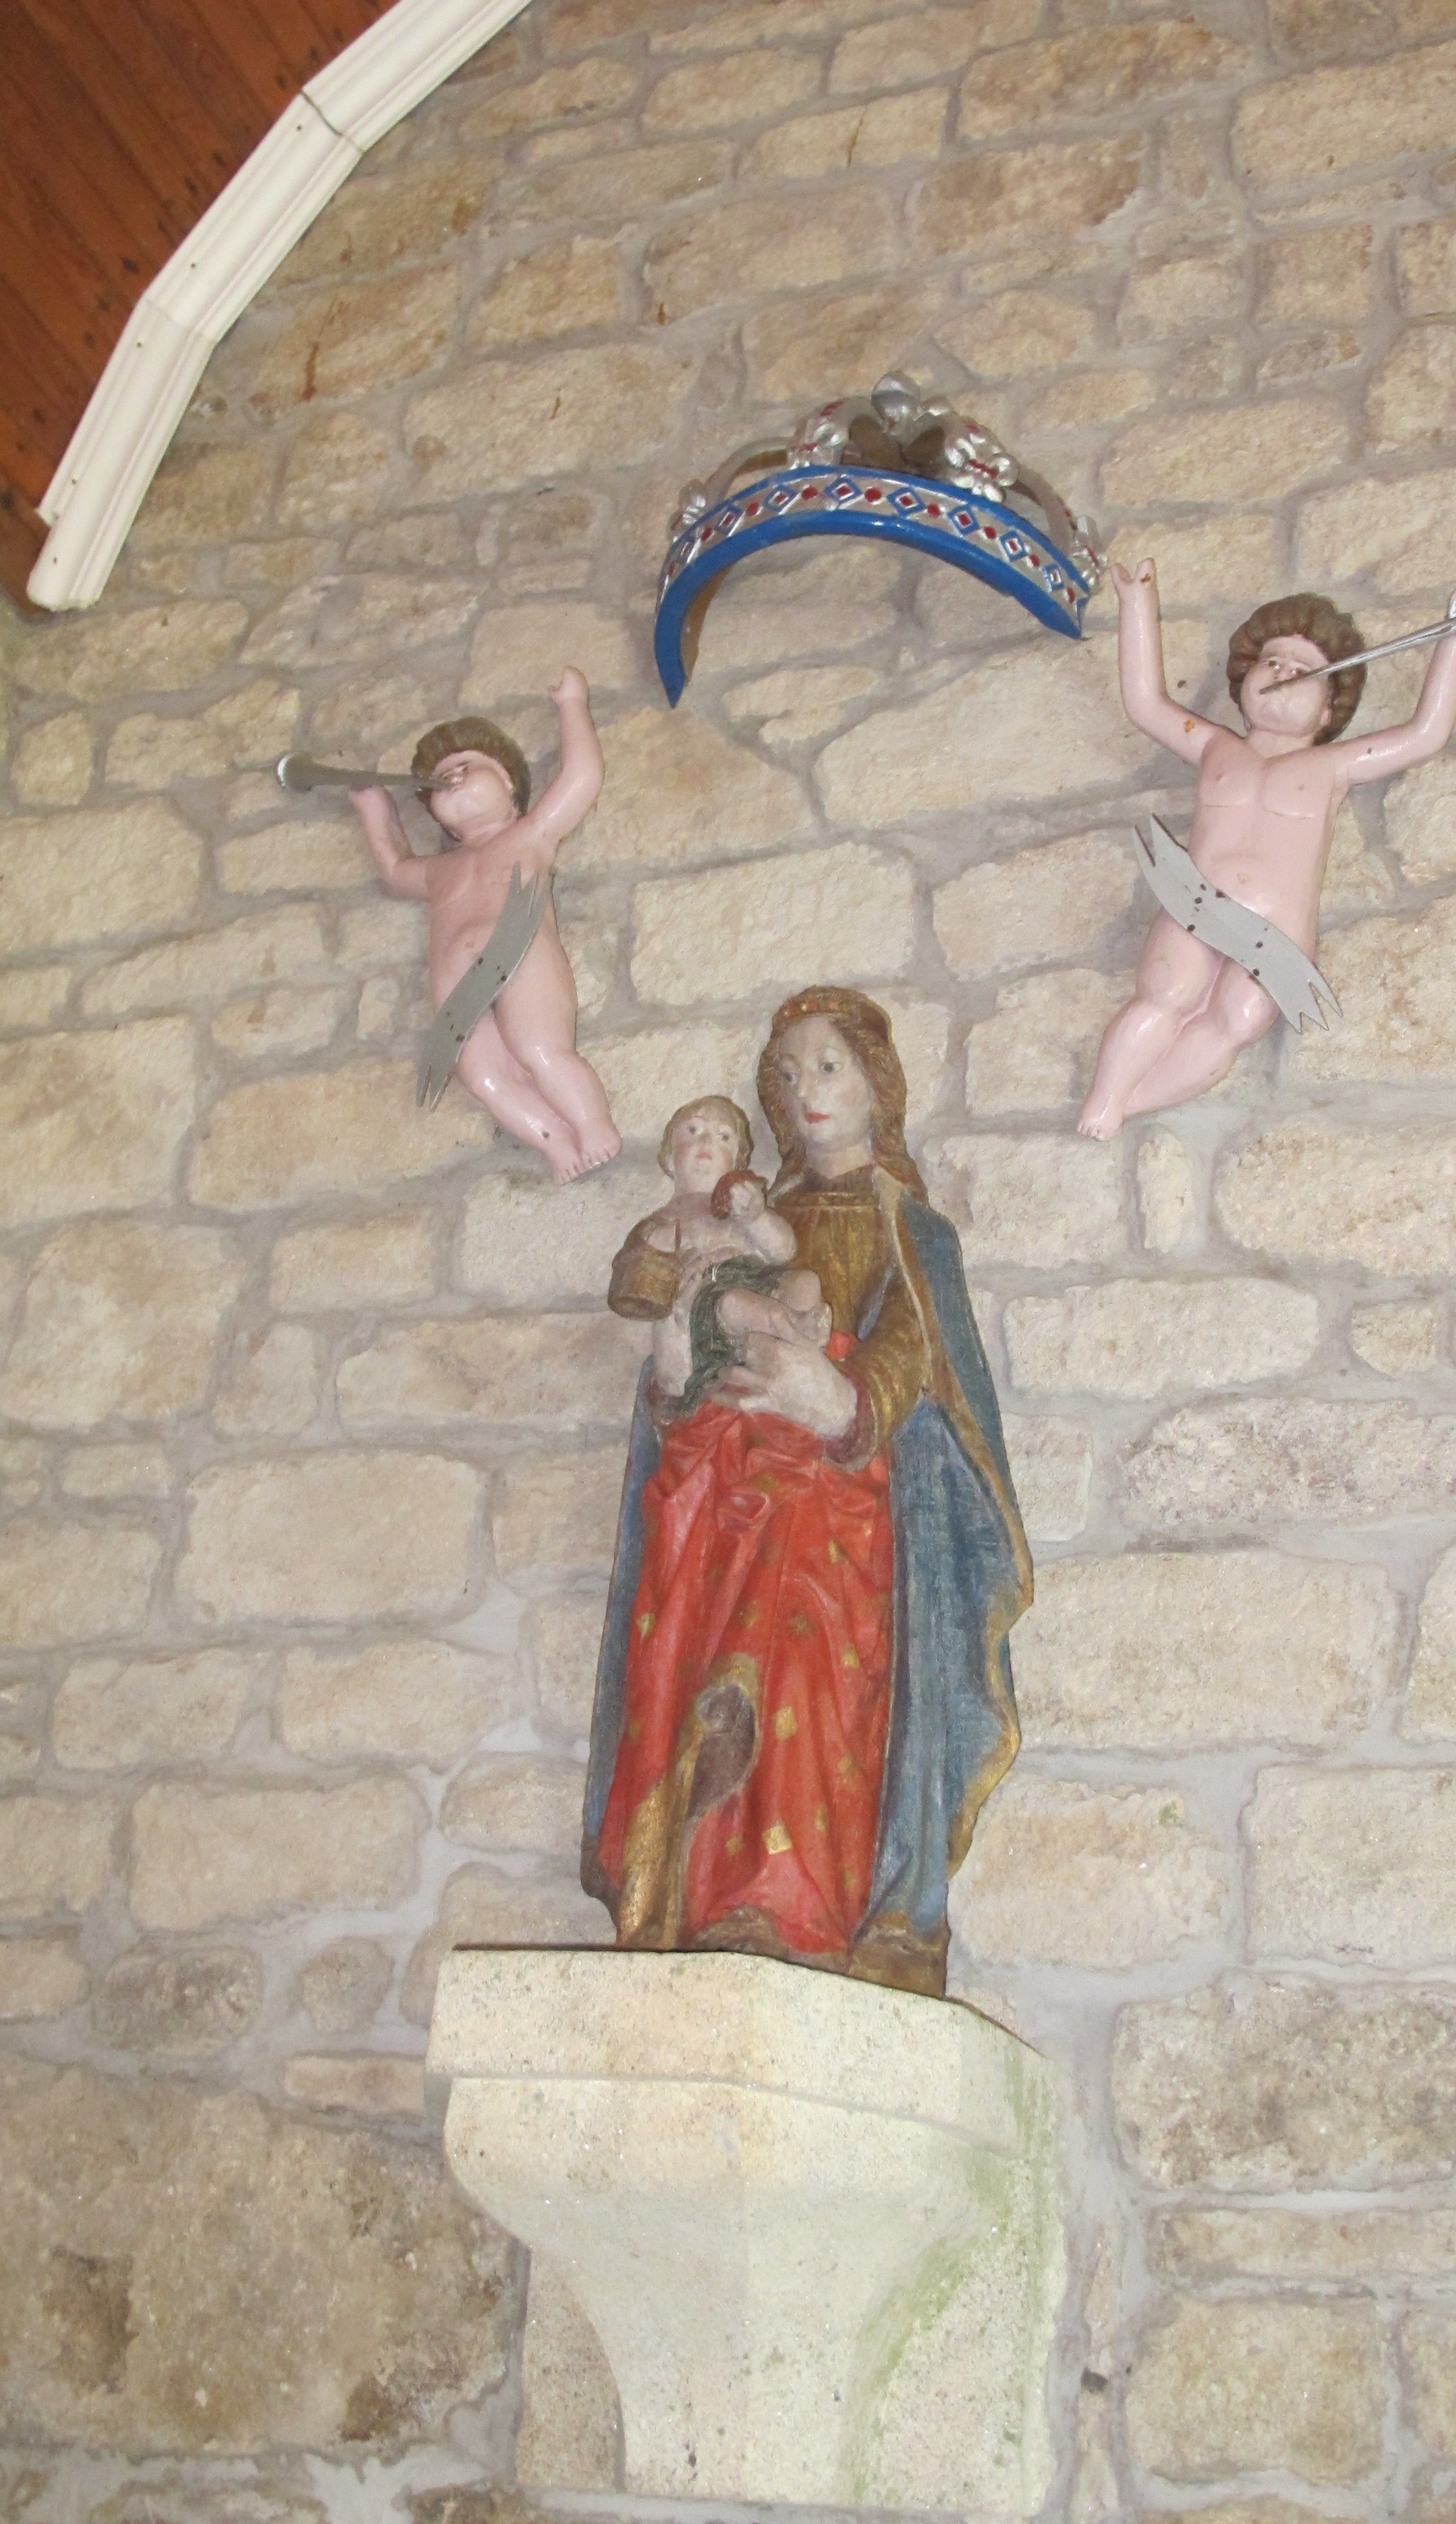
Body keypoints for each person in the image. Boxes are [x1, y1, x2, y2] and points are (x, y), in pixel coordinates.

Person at [584, 989, 1031, 1999]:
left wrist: (840, 1400)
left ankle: (793, 1905)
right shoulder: (747, 1223)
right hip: (724, 1489)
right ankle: (695, 1895)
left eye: (829, 1067)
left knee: (795, 1650)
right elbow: (682, 1348)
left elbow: (919, 1364)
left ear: (878, 1083)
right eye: (785, 1076)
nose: (805, 1091)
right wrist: (676, 1386)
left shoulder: (910, 1228)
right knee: (705, 1649)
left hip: (840, 1509)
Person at [1078, 559, 1456, 1129]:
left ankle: (1132, 1102)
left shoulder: (1334, 766)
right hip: (1195, 903)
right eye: (1272, 662)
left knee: (1239, 1019)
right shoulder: (1215, 747)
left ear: (1329, 708)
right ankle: (1108, 1096)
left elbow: (1424, 735)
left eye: (1304, 672)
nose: (1283, 674)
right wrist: (1137, 604)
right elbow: (1145, 703)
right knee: (1165, 992)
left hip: (1277, 933)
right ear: (1245, 679)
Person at [349, 670, 620, 1181]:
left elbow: (581, 778)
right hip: (454, 984)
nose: (453, 777)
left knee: (540, 1049)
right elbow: (394, 868)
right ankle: (553, 1139)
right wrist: (373, 806)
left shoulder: (530, 835)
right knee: (482, 1076)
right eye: (442, 778)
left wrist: (572, 704)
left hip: (521, 954)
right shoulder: (437, 871)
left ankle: (591, 1122)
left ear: (509, 783)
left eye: (467, 766)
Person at [613, 1095, 831, 1409]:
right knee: (734, 1303)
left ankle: (796, 1348)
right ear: (669, 1158)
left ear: (737, 1162)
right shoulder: (660, 1224)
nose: (706, 1142)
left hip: (761, 1280)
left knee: (806, 1281)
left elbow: (784, 1251)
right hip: (711, 1301)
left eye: (724, 1136)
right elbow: (642, 1287)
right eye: (692, 1131)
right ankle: (800, 1335)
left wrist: (756, 1217)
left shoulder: (741, 1207)